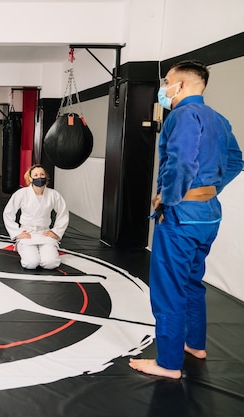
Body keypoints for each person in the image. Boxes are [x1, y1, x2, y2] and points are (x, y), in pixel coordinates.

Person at [129, 60, 243, 378]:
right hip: (208, 216)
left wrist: (170, 197)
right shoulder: (218, 119)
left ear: (181, 85)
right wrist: (209, 189)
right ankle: (195, 344)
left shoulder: (181, 115)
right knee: (193, 283)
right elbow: (236, 159)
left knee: (168, 289)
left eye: (167, 81)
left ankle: (168, 362)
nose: (164, 88)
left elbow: (180, 162)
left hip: (181, 217)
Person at [3, 164, 69, 270]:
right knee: (31, 263)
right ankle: (21, 246)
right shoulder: (22, 193)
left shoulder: (53, 195)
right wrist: (17, 233)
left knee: (50, 264)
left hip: (45, 233)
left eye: (42, 174)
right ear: (30, 178)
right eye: (36, 175)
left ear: (46, 177)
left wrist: (56, 232)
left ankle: (46, 251)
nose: (39, 177)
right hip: (27, 233)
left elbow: (63, 212)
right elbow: (8, 213)